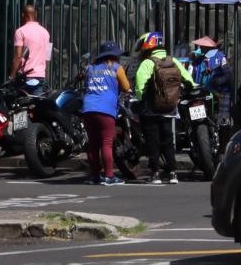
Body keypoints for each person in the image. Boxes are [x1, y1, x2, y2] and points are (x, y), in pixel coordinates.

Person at [131, 32, 188, 184]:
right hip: (169, 109)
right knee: (168, 140)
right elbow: (188, 78)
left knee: (153, 141)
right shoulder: (173, 60)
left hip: (151, 110)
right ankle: (173, 173)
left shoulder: (148, 63)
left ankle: (155, 173)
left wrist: (140, 99)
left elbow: (139, 87)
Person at [81, 41, 132, 186]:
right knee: (106, 143)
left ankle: (95, 176)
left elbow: (86, 85)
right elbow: (126, 86)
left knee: (93, 144)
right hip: (106, 109)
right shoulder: (117, 68)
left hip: (88, 108)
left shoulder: (90, 68)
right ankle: (109, 176)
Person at [10, 4, 53, 95]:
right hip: (40, 76)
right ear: (35, 15)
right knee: (36, 106)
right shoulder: (46, 32)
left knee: (20, 106)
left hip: (26, 77)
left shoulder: (20, 31)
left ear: (23, 15)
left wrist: (12, 76)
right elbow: (47, 57)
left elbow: (18, 56)